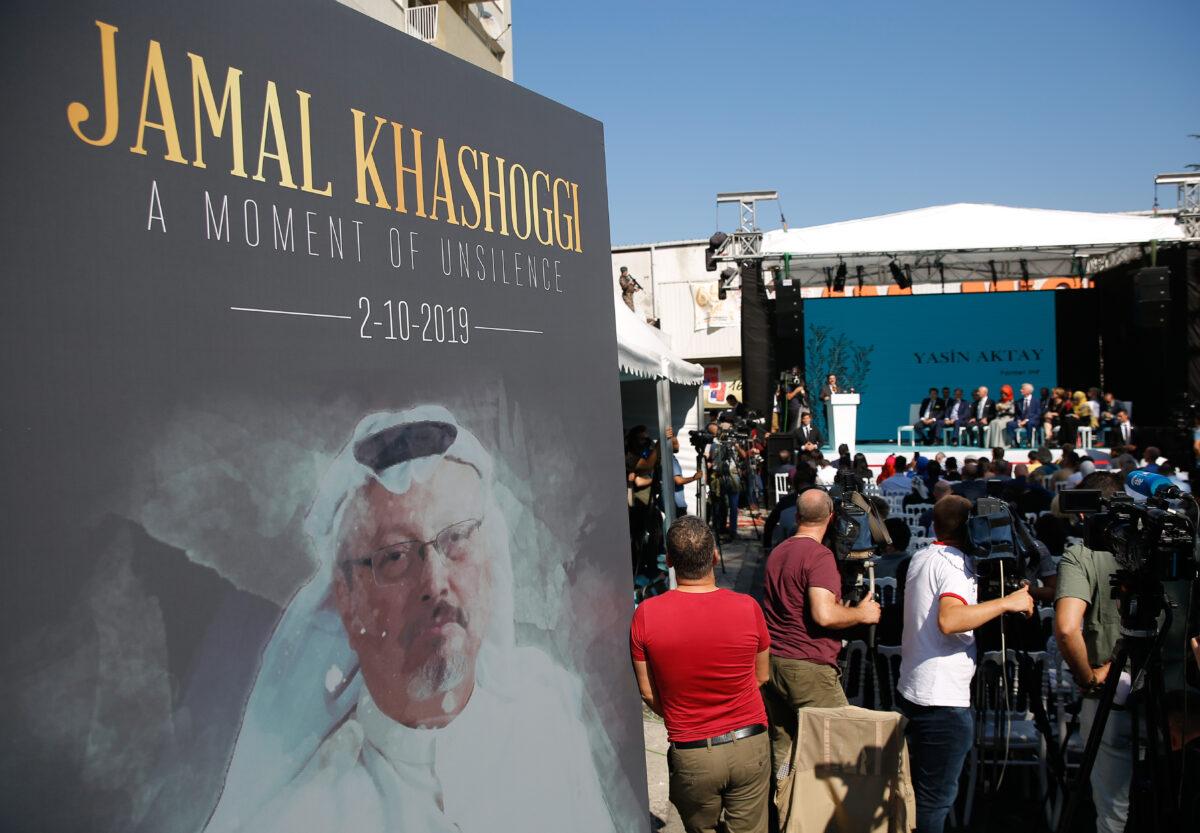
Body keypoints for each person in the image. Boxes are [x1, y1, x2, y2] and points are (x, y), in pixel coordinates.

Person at [206, 407, 614, 833]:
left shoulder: (547, 718)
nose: (435, 581)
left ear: (490, 562)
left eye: (455, 539)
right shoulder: (309, 816)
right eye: (395, 556)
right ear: (347, 601)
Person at [898, 496, 1034, 833]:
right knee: (935, 802)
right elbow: (951, 619)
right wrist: (1007, 602)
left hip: (915, 690)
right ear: (973, 530)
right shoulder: (954, 565)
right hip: (943, 702)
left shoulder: (923, 556)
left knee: (918, 795)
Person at [631, 516, 770, 833]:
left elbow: (648, 692)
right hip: (749, 742)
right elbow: (761, 676)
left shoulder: (646, 615)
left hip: (692, 750)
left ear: (668, 561)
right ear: (715, 556)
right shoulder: (748, 607)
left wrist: (685, 714)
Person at [762, 489, 881, 779]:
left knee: (784, 745)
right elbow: (824, 615)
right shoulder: (819, 556)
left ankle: (784, 807)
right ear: (830, 518)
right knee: (839, 743)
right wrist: (861, 614)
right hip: (807, 665)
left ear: (798, 516)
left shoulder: (779, 551)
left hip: (774, 662)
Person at [1053, 471, 1130, 832]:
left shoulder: (1082, 554)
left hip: (1109, 693)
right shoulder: (1162, 548)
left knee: (1113, 817)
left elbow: (1068, 628)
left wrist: (1088, 679)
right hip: (1173, 691)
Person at [669, 428, 701, 516]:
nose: (678, 445)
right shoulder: (670, 460)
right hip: (676, 503)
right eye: (676, 443)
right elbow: (678, 481)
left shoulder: (669, 459)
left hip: (675, 502)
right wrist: (694, 478)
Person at [1007, 382, 1042, 447]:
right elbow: (1017, 414)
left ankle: (1028, 441)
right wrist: (1018, 420)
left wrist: (1026, 420)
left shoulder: (1036, 401)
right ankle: (1014, 442)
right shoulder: (1019, 402)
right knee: (1009, 424)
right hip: (1021, 421)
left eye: (1023, 389)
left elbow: (1038, 414)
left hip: (1031, 421)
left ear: (1028, 391)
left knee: (1030, 423)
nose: (1021, 390)